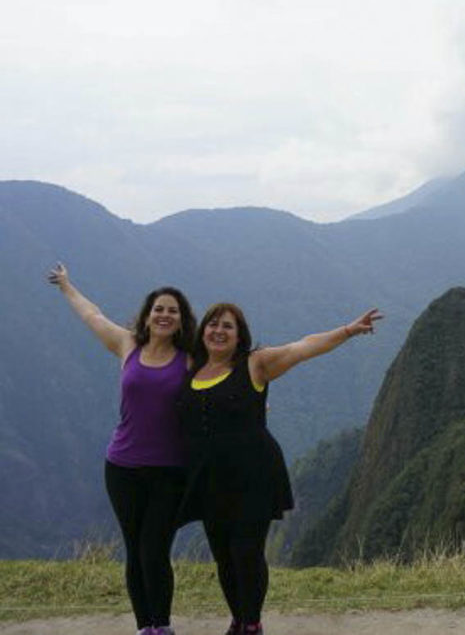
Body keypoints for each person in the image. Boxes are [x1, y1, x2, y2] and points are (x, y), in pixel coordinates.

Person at [178, 302, 381, 635]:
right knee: (223, 555)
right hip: (209, 479)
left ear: (239, 335)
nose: (218, 331)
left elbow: (302, 347)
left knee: (246, 551)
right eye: (212, 325)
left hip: (252, 474)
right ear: (202, 332)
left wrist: (347, 331)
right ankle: (238, 619)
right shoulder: (190, 369)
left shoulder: (255, 364)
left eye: (227, 326)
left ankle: (252, 622)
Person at [48, 262, 196, 635]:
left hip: (170, 470)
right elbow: (92, 315)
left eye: (172, 311)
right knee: (134, 549)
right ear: (147, 316)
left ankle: (161, 625)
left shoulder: (191, 359)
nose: (164, 315)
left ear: (181, 321)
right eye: (158, 309)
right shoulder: (127, 345)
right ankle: (144, 626)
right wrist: (67, 285)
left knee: (154, 549)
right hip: (122, 467)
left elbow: (229, 377)